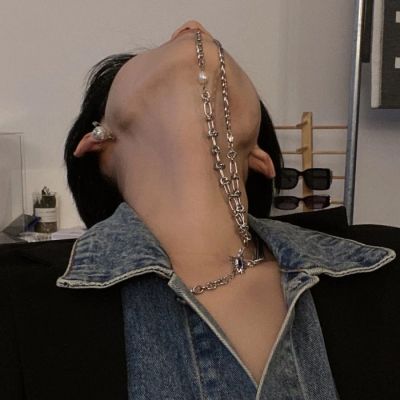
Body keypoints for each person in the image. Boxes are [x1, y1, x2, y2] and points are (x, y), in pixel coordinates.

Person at [1, 21, 399, 400]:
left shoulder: (386, 268)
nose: (191, 28)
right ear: (96, 143)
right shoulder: (18, 304)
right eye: (160, 52)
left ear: (260, 158)